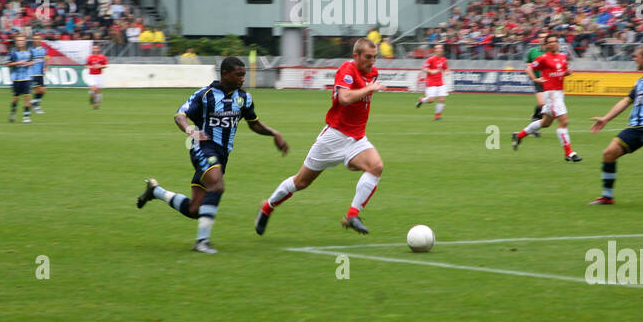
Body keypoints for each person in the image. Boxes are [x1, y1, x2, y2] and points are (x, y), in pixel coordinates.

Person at [137, 57, 288, 254]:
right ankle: (202, 242)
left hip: (222, 154)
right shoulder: (205, 95)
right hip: (202, 146)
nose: (243, 78)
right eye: (239, 75)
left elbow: (254, 123)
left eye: (244, 74)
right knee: (217, 185)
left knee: (195, 209)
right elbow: (180, 115)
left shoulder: (244, 97)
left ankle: (155, 191)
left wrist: (274, 133)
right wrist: (191, 131)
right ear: (225, 74)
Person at [256, 38, 387, 235]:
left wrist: (369, 86)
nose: (372, 62)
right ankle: (268, 207)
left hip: (357, 138)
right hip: (333, 137)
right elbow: (343, 99)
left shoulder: (373, 73)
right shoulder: (347, 70)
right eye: (368, 57)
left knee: (376, 167)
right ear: (356, 56)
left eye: (375, 57)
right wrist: (369, 88)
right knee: (301, 182)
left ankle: (352, 215)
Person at [588, 45, 643, 210]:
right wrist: (606, 119)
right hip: (635, 127)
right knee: (609, 153)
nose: (634, 59)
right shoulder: (641, 81)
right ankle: (607, 196)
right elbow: (626, 101)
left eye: (636, 56)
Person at [511, 34, 580, 161]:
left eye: (555, 41)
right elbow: (529, 68)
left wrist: (566, 73)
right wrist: (536, 79)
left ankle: (519, 135)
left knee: (545, 123)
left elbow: (561, 72)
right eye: (550, 42)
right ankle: (569, 153)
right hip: (552, 94)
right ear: (547, 45)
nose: (553, 43)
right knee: (564, 122)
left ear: (558, 43)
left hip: (559, 93)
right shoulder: (543, 58)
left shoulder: (563, 57)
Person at [415, 42, 450, 120]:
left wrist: (447, 71)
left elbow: (445, 68)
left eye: (440, 48)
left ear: (442, 50)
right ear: (435, 50)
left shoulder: (443, 59)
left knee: (442, 99)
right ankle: (422, 100)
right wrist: (431, 71)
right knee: (431, 100)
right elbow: (424, 68)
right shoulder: (430, 59)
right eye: (437, 48)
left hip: (441, 83)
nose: (439, 49)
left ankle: (437, 116)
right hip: (431, 83)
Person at [6, 35, 35, 123]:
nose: (20, 42)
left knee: (27, 96)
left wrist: (30, 63)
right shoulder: (12, 52)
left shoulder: (30, 51)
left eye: (22, 40)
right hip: (16, 78)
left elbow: (32, 61)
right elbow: (8, 64)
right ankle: (13, 112)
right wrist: (18, 63)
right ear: (16, 42)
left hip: (27, 77)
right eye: (18, 40)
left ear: (25, 41)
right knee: (16, 98)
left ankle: (26, 116)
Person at [523, 38, 547, 120]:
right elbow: (528, 64)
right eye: (541, 37)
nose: (542, 39)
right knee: (542, 103)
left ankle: (537, 118)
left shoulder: (551, 52)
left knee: (547, 103)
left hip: (550, 80)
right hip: (538, 80)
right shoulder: (532, 51)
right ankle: (536, 116)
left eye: (544, 37)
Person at [87, 43, 108, 108]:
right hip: (92, 75)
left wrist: (100, 66)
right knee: (94, 89)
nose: (95, 49)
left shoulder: (102, 57)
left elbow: (105, 65)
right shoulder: (90, 57)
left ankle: (97, 104)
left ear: (99, 49)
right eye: (94, 48)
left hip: (99, 75)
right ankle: (92, 97)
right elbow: (87, 65)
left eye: (96, 48)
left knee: (98, 90)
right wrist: (89, 67)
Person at [30, 39, 47, 113]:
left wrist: (46, 67)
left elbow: (46, 59)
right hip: (33, 73)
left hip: (40, 73)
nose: (37, 40)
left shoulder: (44, 50)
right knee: (38, 90)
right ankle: (36, 107)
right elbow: (28, 61)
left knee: (43, 90)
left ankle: (33, 102)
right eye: (35, 39)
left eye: (38, 39)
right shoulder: (31, 50)